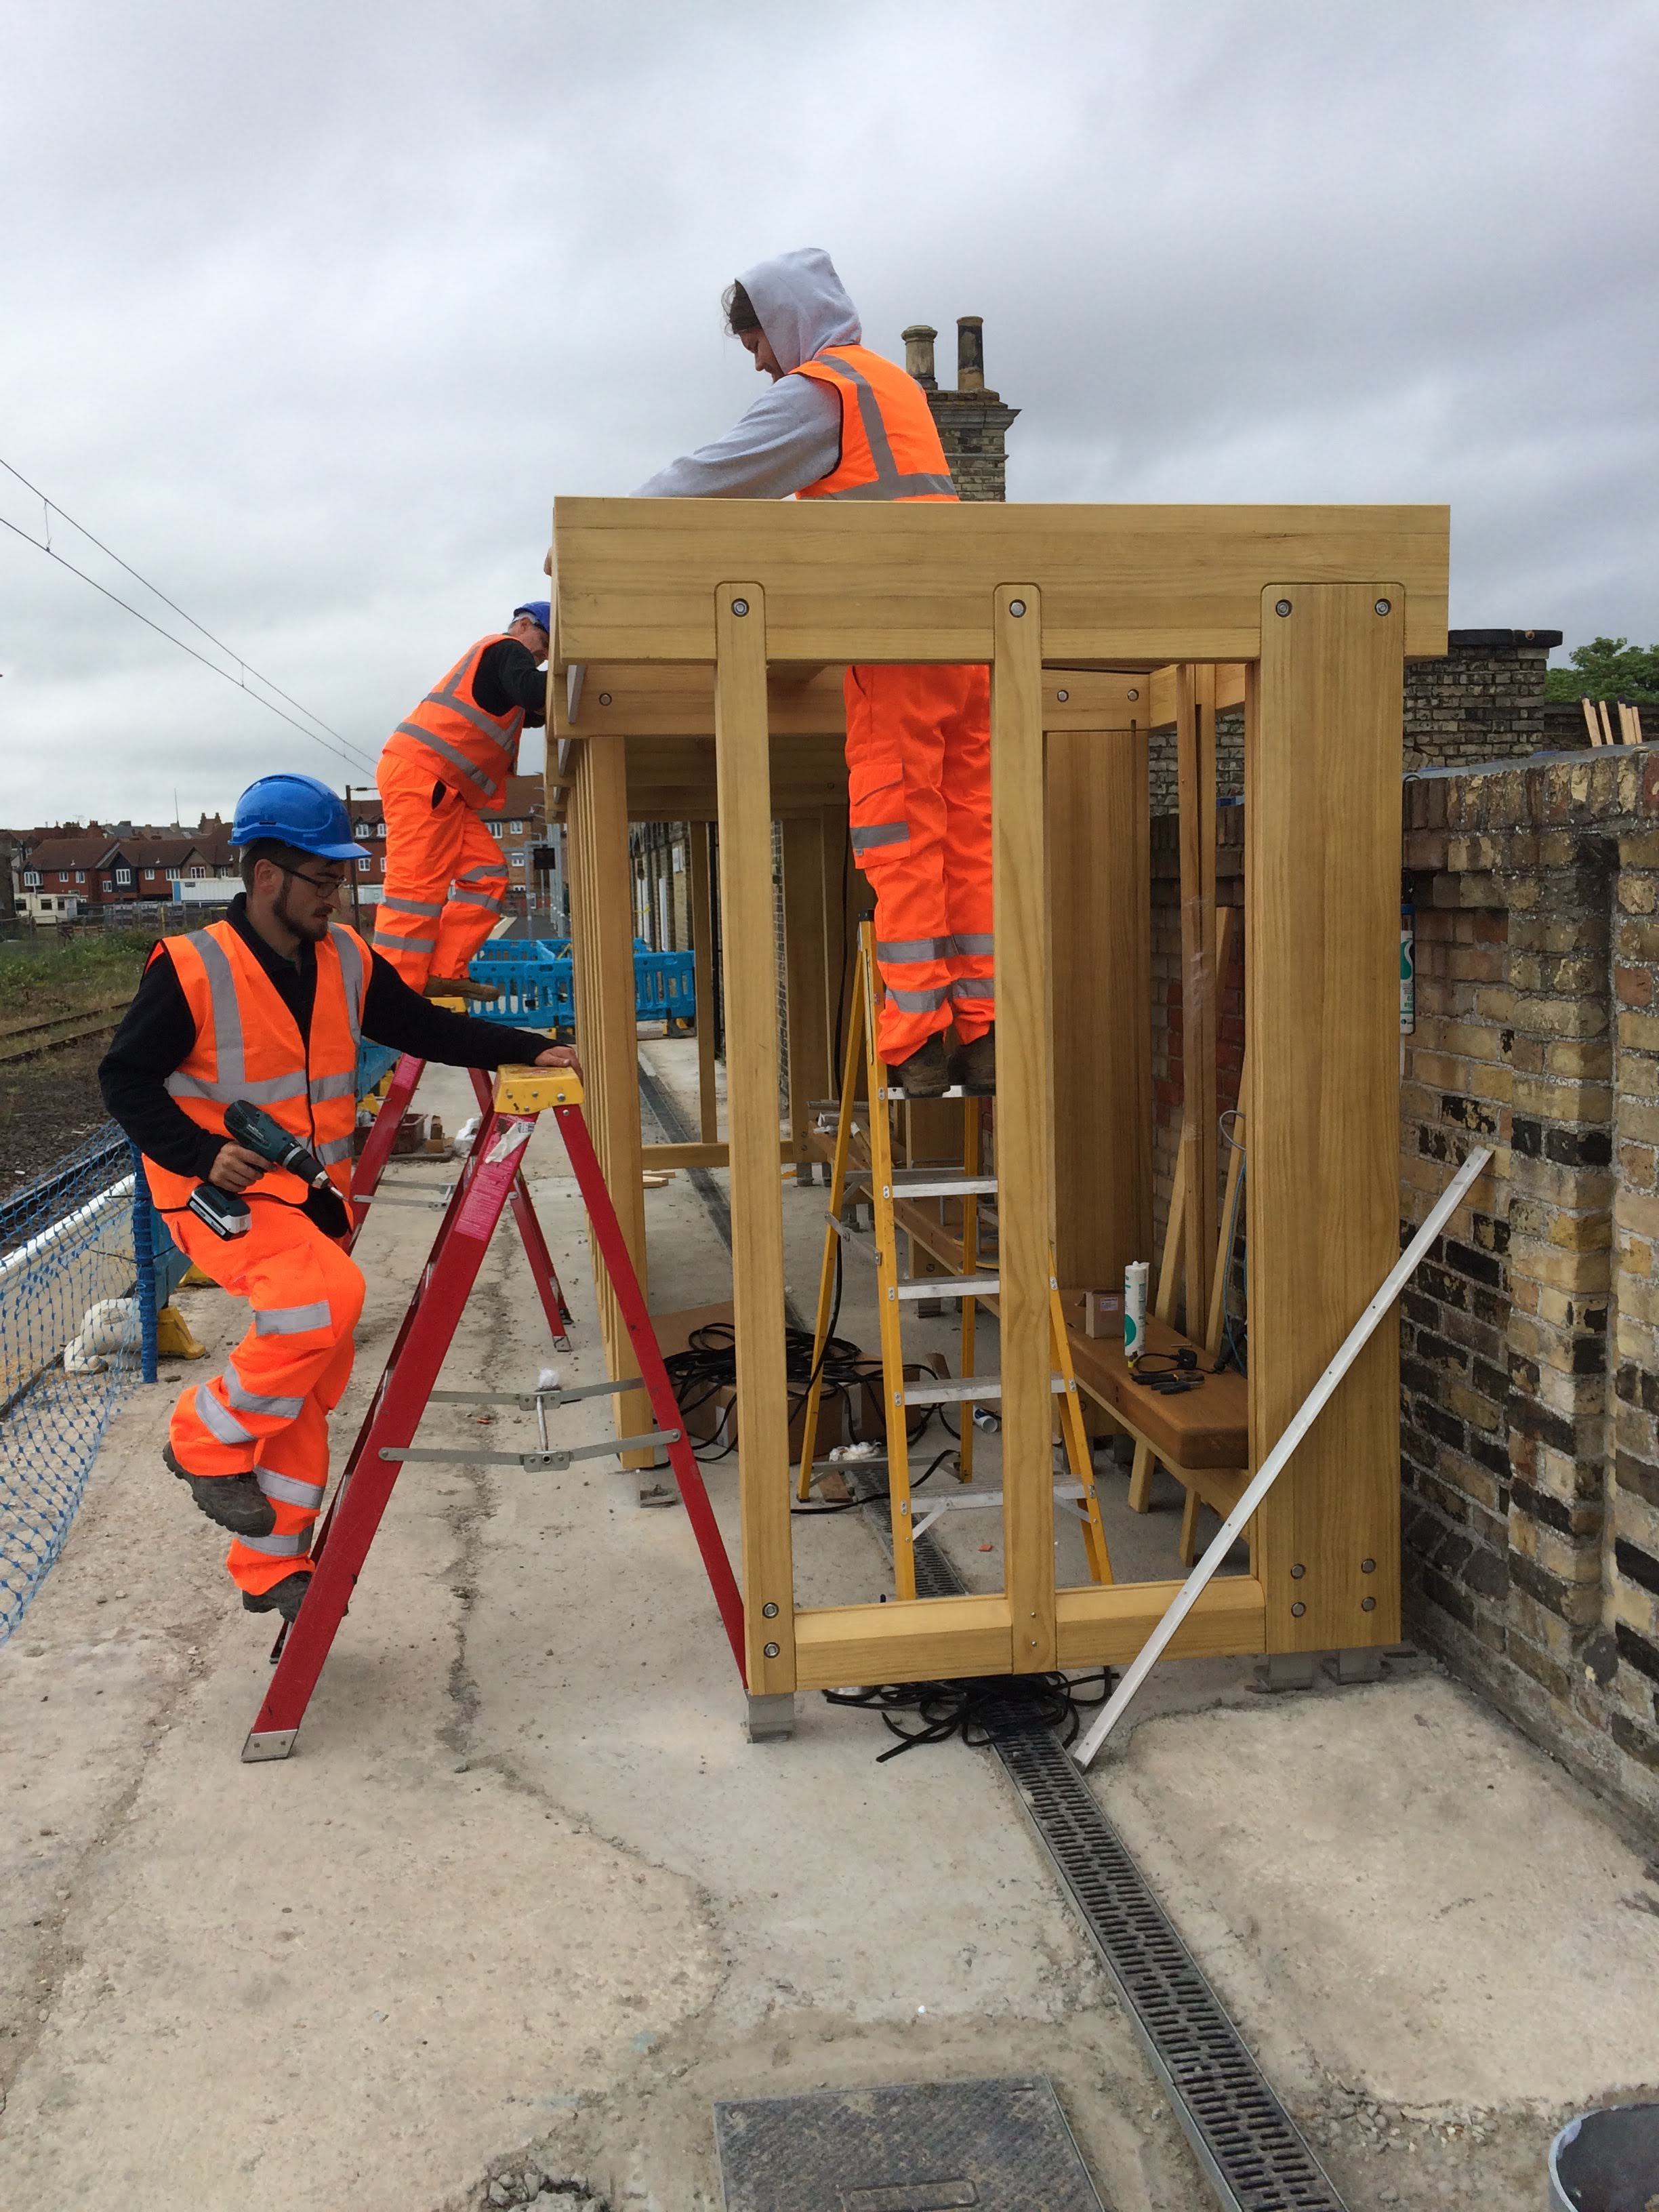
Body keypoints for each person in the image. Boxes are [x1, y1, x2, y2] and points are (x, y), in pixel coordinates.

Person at [99, 773, 579, 1624]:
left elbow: (423, 1027)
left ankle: (268, 1563)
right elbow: (126, 1082)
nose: (339, 894)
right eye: (325, 879)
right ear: (269, 875)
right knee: (322, 1303)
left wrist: (532, 1048)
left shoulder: (344, 959)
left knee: (317, 1370)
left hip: (304, 1192)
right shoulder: (192, 968)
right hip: (214, 1196)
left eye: (343, 878)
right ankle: (202, 1439)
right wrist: (206, 1155)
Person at [632, 248, 994, 1097]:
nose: (759, 362)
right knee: (966, 833)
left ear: (786, 324)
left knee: (901, 830)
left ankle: (915, 1045)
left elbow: (712, 477)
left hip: (900, 636)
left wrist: (598, 533)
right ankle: (982, 1036)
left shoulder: (825, 390)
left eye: (757, 340)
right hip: (966, 636)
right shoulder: (889, 387)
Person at [373, 600, 551, 996]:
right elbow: (534, 690)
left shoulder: (502, 669)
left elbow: (532, 704)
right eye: (544, 642)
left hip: (440, 788)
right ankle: (394, 992)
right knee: (414, 890)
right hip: (424, 778)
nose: (542, 655)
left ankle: (443, 972)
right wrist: (579, 671)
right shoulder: (506, 650)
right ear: (523, 625)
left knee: (487, 876)